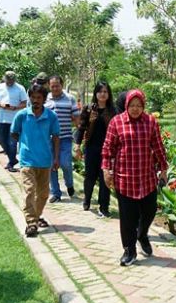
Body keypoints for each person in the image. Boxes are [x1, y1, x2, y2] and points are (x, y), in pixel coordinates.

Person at [102, 89, 168, 266]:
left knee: (150, 211)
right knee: (127, 218)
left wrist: (163, 168)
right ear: (126, 105)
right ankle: (129, 250)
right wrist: (106, 170)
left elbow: (158, 146)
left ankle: (142, 234)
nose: (136, 109)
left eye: (139, 105)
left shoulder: (150, 122)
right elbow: (108, 149)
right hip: (125, 178)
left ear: (143, 106)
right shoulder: (117, 122)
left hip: (146, 178)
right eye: (132, 105)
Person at [11, 84, 60, 238]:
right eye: (33, 97)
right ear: (29, 98)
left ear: (44, 99)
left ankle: (36, 216)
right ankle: (31, 223)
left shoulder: (51, 116)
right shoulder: (22, 115)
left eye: (39, 98)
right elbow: (14, 133)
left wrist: (56, 158)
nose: (36, 100)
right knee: (29, 191)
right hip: (27, 160)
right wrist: (25, 144)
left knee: (44, 194)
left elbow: (56, 137)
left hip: (45, 161)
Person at [75, 81, 116, 217]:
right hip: (92, 147)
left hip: (108, 149)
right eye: (100, 91)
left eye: (105, 91)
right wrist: (77, 145)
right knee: (90, 177)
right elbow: (81, 127)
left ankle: (104, 206)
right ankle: (87, 199)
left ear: (109, 94)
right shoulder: (88, 109)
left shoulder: (113, 111)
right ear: (96, 93)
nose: (103, 94)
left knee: (106, 178)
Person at [45, 75, 80, 203]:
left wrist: (80, 130)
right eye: (52, 86)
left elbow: (76, 117)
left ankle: (69, 185)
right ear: (49, 86)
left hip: (65, 137)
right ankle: (56, 193)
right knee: (51, 166)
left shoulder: (70, 98)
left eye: (57, 86)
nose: (55, 88)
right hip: (48, 138)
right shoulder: (46, 99)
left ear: (62, 85)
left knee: (65, 163)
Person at [0, 70, 27, 172]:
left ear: (14, 79)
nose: (10, 82)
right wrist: (0, 105)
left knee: (12, 143)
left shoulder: (20, 88)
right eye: (8, 80)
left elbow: (25, 103)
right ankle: (13, 159)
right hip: (2, 119)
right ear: (4, 78)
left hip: (15, 119)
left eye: (12, 80)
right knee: (2, 141)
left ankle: (11, 163)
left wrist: (15, 107)